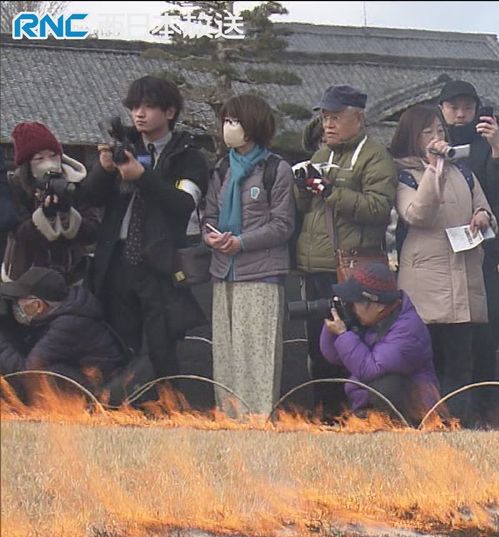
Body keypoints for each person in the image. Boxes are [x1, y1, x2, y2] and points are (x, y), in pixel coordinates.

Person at [76, 75, 209, 381]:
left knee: (162, 346)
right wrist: (104, 170)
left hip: (159, 265)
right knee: (120, 344)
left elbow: (182, 204)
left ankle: (167, 409)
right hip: (116, 261)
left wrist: (142, 175)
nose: (139, 114)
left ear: (170, 112)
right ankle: (123, 408)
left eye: (149, 107)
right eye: (135, 106)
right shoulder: (125, 147)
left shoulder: (188, 156)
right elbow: (88, 198)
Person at [294, 84, 398, 417]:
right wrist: (303, 188)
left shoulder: (375, 156)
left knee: (348, 345)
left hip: (351, 270)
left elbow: (379, 208)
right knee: (317, 347)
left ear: (358, 118)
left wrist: (331, 190)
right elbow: (307, 207)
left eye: (336, 117)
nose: (328, 125)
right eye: (325, 117)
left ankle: (352, 416)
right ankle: (325, 414)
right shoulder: (321, 154)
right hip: (315, 266)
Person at [390, 105, 493, 420]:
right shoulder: (405, 175)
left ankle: (456, 423)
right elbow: (417, 214)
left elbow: (486, 210)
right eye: (427, 132)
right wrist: (433, 171)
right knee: (427, 362)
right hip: (425, 283)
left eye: (440, 131)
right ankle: (427, 422)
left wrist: (482, 216)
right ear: (412, 137)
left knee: (461, 363)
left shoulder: (462, 171)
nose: (437, 138)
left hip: (463, 277)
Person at [199, 94, 295, 417]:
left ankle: (257, 417)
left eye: (234, 121)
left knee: (257, 354)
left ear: (252, 126)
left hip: (261, 273)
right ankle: (228, 416)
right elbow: (208, 213)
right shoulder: (222, 167)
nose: (228, 127)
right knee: (225, 353)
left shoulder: (275, 169)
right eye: (225, 120)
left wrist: (242, 242)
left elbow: (282, 225)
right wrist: (211, 237)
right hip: (223, 270)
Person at [436, 80, 499, 416]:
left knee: (486, 330)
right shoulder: (433, 141)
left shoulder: (485, 146)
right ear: (442, 108)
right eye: (454, 107)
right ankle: (444, 409)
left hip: (482, 251)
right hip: (441, 253)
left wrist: (497, 150)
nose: (461, 114)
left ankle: (483, 408)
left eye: (467, 106)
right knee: (446, 336)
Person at [318, 262, 439, 423]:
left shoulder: (407, 331)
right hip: (370, 403)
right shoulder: (373, 320)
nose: (351, 307)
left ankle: (396, 425)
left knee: (388, 384)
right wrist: (333, 328)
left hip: (415, 410)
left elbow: (370, 368)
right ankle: (366, 419)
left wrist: (343, 334)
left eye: (355, 302)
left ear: (378, 305)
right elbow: (336, 356)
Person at [2, 122, 99, 285]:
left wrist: (67, 213)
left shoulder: (76, 183)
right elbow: (19, 234)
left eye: (53, 155)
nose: (49, 163)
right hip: (26, 276)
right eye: (39, 158)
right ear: (27, 164)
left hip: (72, 275)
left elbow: (92, 232)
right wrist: (44, 215)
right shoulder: (14, 186)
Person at [0, 267, 124, 389]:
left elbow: (27, 373)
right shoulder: (63, 307)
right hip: (77, 369)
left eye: (19, 302)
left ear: (37, 306)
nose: (15, 306)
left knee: (48, 375)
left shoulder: (69, 325)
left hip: (97, 387)